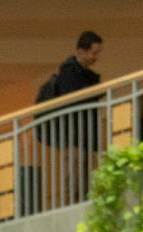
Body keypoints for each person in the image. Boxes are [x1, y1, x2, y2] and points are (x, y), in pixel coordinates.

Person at [38, 31, 103, 206]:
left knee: (86, 180)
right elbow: (72, 100)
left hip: (85, 137)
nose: (95, 57)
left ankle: (83, 208)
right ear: (81, 51)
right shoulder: (69, 73)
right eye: (93, 53)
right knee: (74, 181)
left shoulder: (85, 75)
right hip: (74, 136)